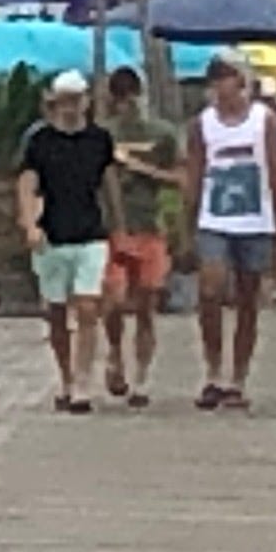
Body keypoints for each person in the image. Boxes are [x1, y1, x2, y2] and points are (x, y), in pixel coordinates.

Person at [13, 68, 119, 412]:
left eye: (77, 100)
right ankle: (66, 377)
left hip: (90, 232)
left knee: (87, 307)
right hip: (53, 233)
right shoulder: (39, 141)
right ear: (55, 103)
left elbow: (109, 183)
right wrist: (29, 224)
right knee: (56, 312)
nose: (72, 107)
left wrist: (119, 226)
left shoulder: (99, 140)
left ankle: (84, 382)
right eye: (65, 101)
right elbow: (27, 184)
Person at [187, 54, 276, 409]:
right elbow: (196, 170)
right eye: (214, 81)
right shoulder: (203, 124)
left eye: (225, 79)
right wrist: (189, 217)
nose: (219, 87)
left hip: (255, 219)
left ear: (240, 82)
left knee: (248, 299)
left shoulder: (265, 121)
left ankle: (238, 377)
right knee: (211, 288)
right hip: (214, 218)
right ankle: (212, 370)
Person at [100, 65, 186, 409]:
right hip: (111, 226)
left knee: (147, 303)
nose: (126, 104)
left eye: (130, 96)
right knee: (114, 300)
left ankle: (142, 376)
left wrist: (138, 168)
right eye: (119, 97)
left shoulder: (161, 134)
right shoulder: (102, 134)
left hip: (149, 222)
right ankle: (116, 355)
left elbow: (179, 177)